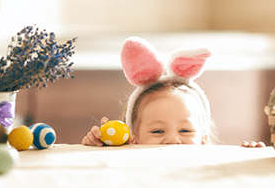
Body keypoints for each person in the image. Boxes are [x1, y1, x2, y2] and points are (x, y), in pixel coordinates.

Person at [82, 37, 266, 148]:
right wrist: (98, 148)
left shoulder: (209, 165)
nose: (172, 140)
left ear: (203, 139)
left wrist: (251, 159)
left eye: (185, 130)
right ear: (133, 140)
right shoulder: (127, 165)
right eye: (157, 131)